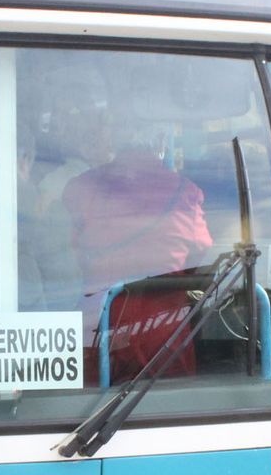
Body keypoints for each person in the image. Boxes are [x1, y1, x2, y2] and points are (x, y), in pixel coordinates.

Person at [61, 122, 212, 383]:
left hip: (98, 324)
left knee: (90, 408)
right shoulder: (185, 191)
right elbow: (201, 250)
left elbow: (68, 254)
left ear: (116, 144)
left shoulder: (80, 188)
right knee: (171, 407)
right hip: (164, 328)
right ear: (160, 144)